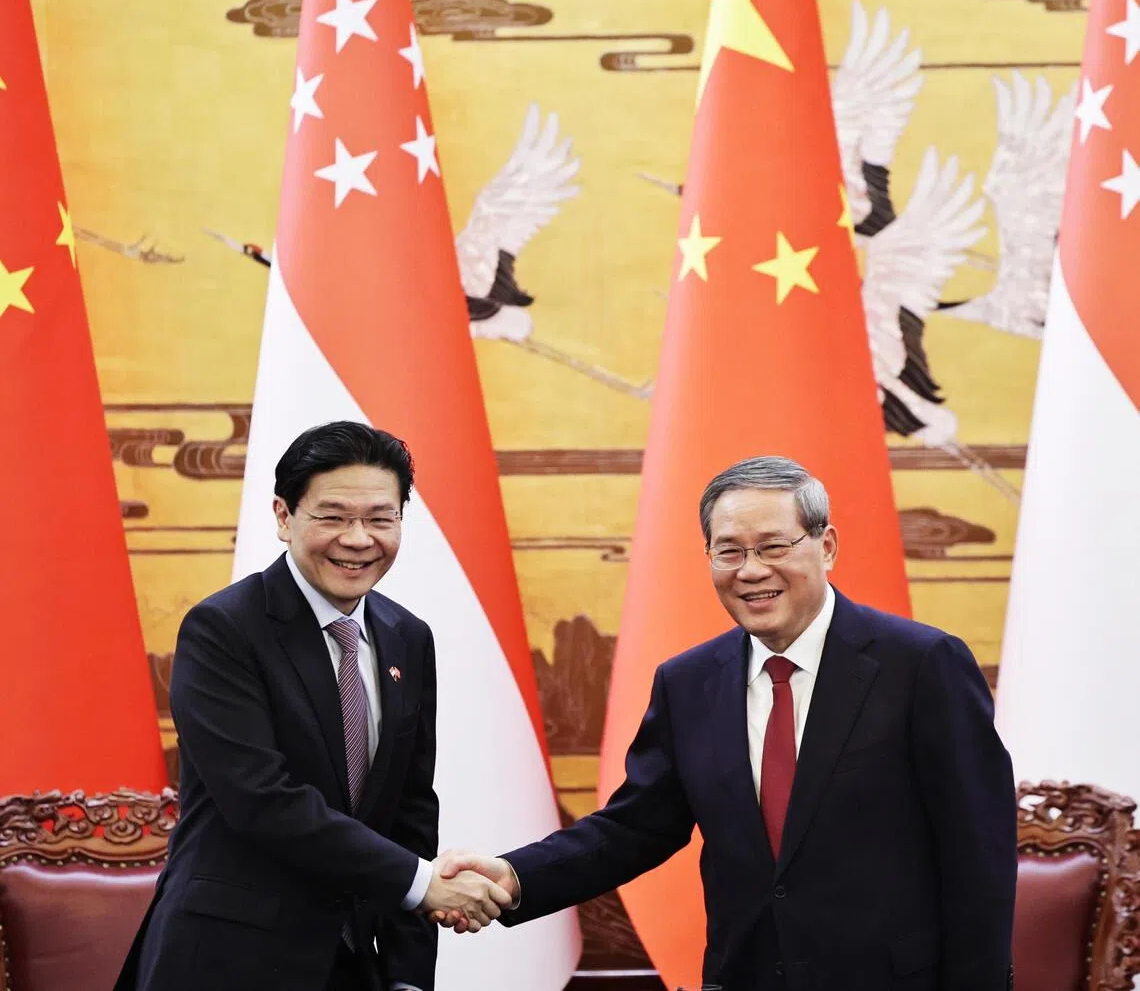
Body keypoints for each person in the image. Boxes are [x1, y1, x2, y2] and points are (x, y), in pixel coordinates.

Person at [436, 456, 1018, 990]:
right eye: (730, 551)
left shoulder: (921, 665)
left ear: (827, 545)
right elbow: (635, 828)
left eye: (773, 546)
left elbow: (979, 855)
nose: (751, 570)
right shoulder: (689, 682)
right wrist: (514, 876)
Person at [115, 421, 510, 991]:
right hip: (230, 960)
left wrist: (408, 975)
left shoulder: (407, 637)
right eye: (333, 516)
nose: (357, 539)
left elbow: (410, 814)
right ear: (283, 516)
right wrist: (425, 884)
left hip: (355, 964)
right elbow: (262, 800)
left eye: (381, 518)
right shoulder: (224, 629)